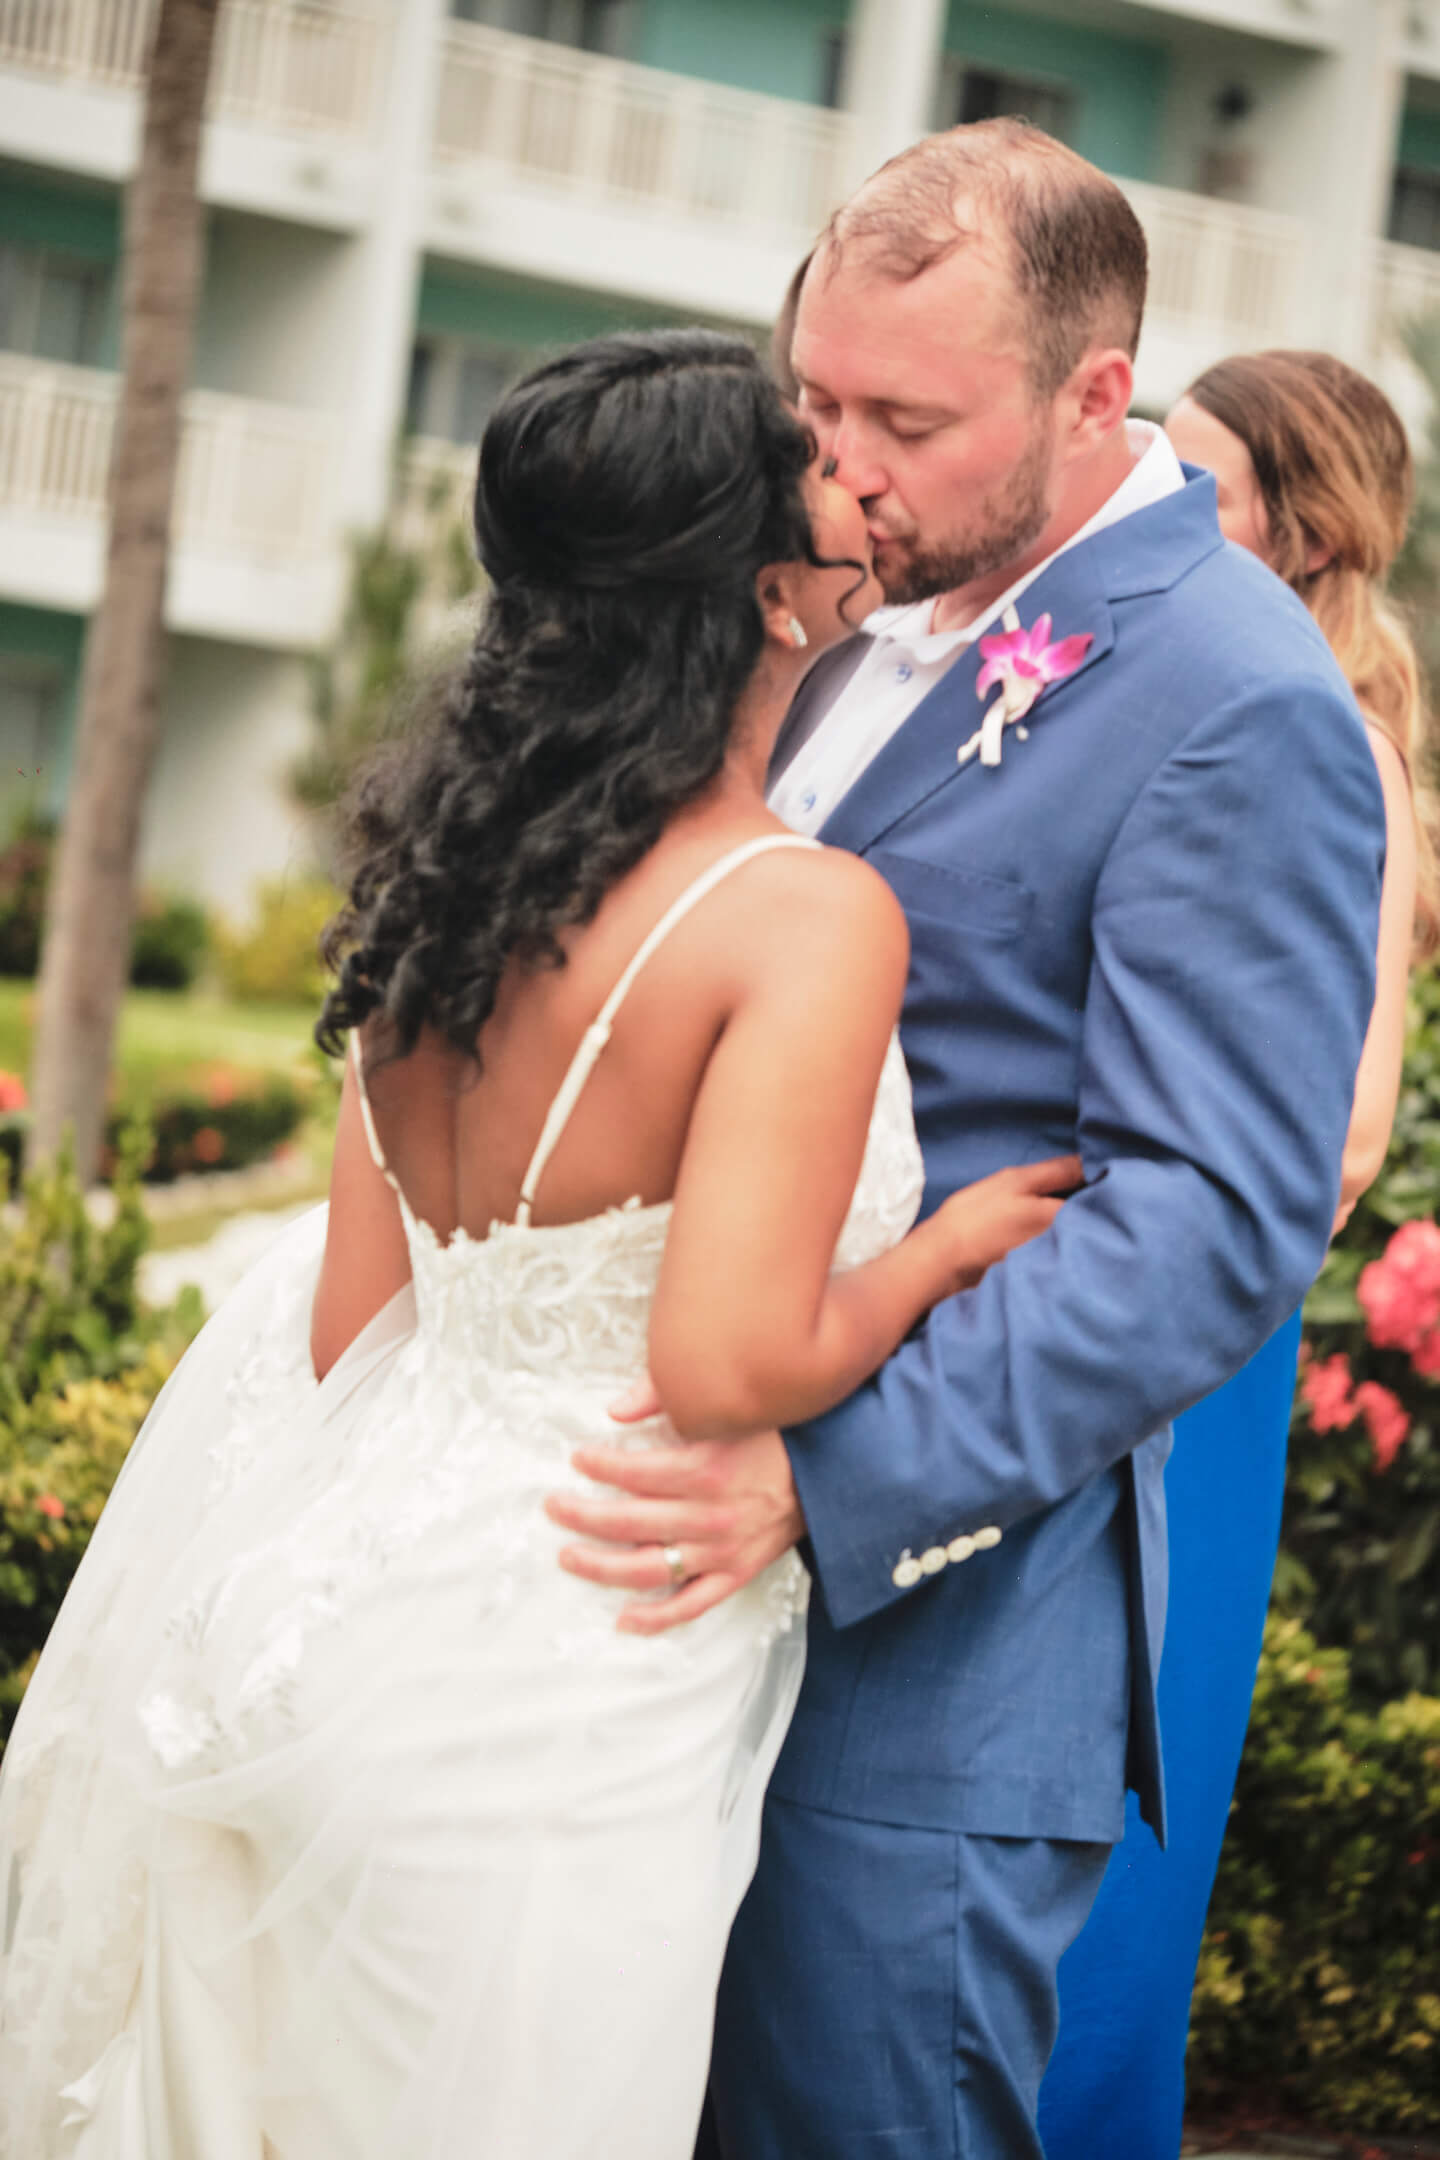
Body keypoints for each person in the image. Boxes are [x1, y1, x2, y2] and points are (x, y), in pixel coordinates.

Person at [0, 331, 1077, 2158]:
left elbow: (357, 1319)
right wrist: (940, 1253)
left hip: (309, 1622)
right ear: (763, 587)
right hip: (567, 1669)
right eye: (811, 459)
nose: (855, 479)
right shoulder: (800, 919)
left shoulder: (445, 866)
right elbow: (722, 1369)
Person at [544, 122, 1388, 2157]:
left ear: (1099, 397)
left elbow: (1207, 1218)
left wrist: (821, 1482)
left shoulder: (1236, 696)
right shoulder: (822, 597)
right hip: (621, 1612)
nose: (838, 465)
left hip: (923, 1650)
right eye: (814, 399)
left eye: (904, 420)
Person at [1040, 349, 1438, 2160]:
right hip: (1119, 1281)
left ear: (1291, 520)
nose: (1153, 494)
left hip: (1192, 1327)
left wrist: (1144, 1237)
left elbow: (1346, 1125)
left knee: (1126, 1751)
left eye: (1193, 473)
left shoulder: (1328, 739)